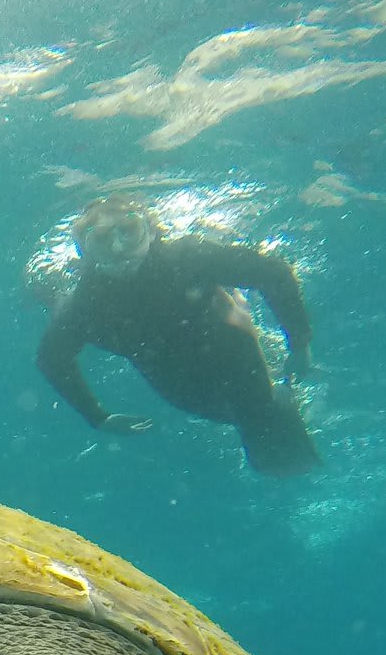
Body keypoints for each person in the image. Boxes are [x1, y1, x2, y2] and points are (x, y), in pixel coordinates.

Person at [35, 195, 320, 477]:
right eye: (101, 241)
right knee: (254, 418)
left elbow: (273, 272)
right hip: (190, 389)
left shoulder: (187, 258)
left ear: (151, 230)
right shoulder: (85, 305)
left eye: (129, 231)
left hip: (227, 360)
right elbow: (51, 360)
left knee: (261, 413)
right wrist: (97, 416)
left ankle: (280, 413)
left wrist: (299, 341)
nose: (119, 248)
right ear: (86, 253)